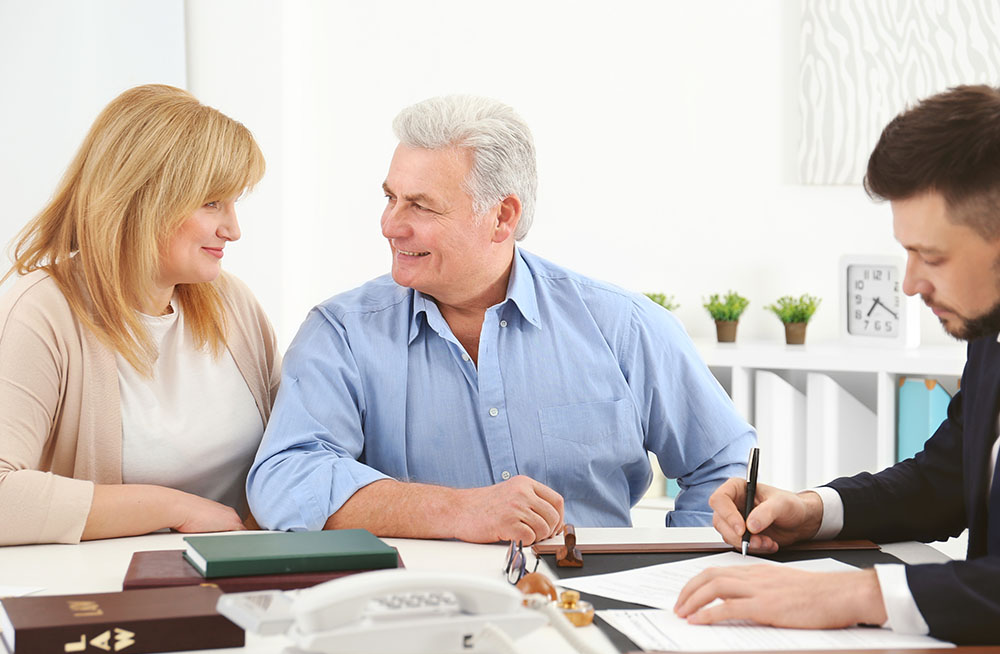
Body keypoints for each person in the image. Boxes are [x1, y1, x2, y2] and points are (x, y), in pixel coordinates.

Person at [247, 94, 754, 544]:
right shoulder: (341, 333)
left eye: (420, 206)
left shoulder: (623, 327)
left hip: (590, 608)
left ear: (502, 217)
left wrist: (679, 572)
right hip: (416, 614)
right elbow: (286, 479)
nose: (389, 225)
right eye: (390, 197)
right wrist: (457, 510)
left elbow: (722, 466)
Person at [674, 85, 1000, 644]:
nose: (910, 283)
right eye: (908, 251)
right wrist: (811, 510)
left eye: (933, 257)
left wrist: (852, 595)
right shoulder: (990, 336)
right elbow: (946, 481)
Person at [0, 84, 281, 546]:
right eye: (212, 203)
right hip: (112, 599)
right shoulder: (40, 313)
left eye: (233, 203)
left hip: (239, 582)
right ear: (145, 198)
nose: (233, 229)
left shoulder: (233, 304)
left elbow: (292, 454)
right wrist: (172, 508)